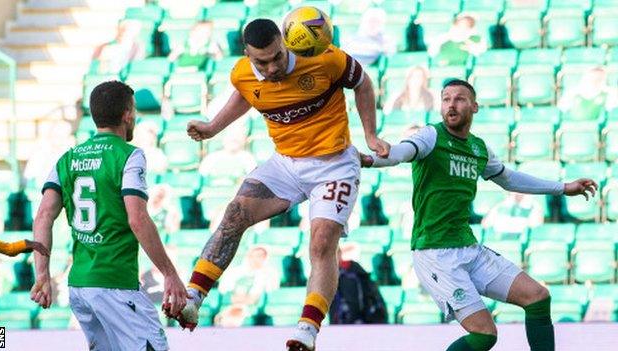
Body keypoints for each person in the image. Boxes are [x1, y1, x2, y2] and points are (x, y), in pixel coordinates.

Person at [172, 19, 389, 351]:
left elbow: (363, 83)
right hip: (286, 164)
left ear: (285, 43)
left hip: (334, 165)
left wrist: (370, 135)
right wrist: (213, 128)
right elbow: (245, 95)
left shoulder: (325, 58)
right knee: (235, 213)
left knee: (321, 241)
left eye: (277, 56)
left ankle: (308, 328)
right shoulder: (242, 72)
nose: (272, 67)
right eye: (263, 61)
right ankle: (194, 297)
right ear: (248, 55)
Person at [361, 79, 597, 351]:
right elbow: (402, 152)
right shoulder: (431, 136)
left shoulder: (478, 148)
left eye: (459, 99)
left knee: (537, 297)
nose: (451, 104)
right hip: (435, 254)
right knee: (485, 334)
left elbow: (509, 179)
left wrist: (564, 188)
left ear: (474, 107)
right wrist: (370, 159)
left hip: (468, 248)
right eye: (446, 98)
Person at [30, 81, 188, 350]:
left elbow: (44, 214)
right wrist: (169, 273)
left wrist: (42, 275)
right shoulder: (129, 155)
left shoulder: (67, 159)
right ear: (127, 114)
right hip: (116, 283)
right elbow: (137, 219)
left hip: (80, 286)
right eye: (134, 111)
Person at [214, 245, 280, 327]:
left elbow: (271, 292)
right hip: (233, 304)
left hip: (253, 306)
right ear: (249, 256)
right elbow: (224, 291)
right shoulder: (234, 272)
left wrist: (250, 300)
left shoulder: (271, 273)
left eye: (261, 256)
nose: (257, 259)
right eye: (255, 256)